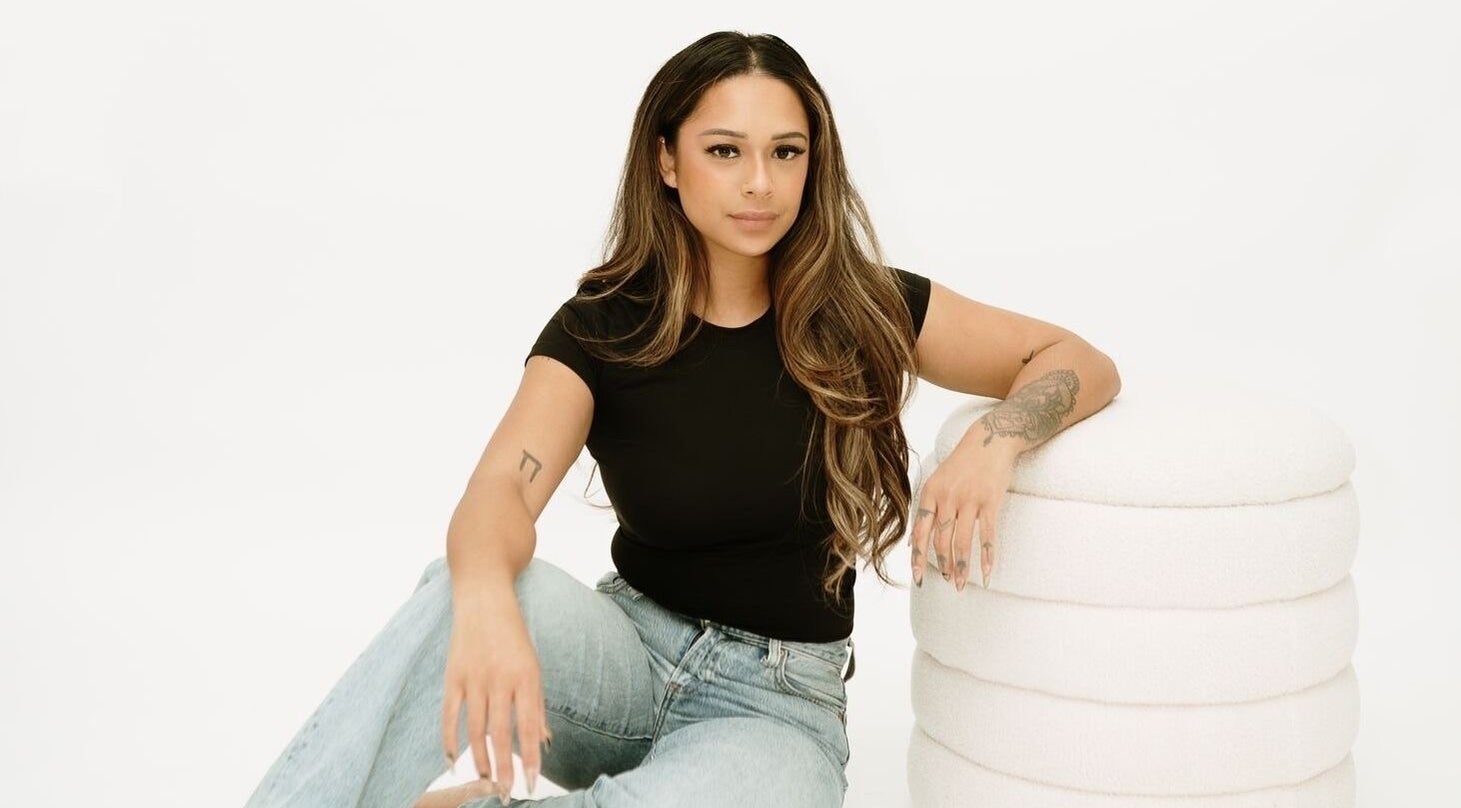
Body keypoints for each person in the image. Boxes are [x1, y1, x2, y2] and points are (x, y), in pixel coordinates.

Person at [242, 29, 1121, 808]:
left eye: (785, 152)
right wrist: (482, 600)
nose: (759, 183)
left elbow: (1077, 359)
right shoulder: (604, 327)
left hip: (774, 709)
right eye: (724, 150)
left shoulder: (864, 306)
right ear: (667, 161)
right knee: (463, 587)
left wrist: (994, 440)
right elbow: (499, 491)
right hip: (620, 662)